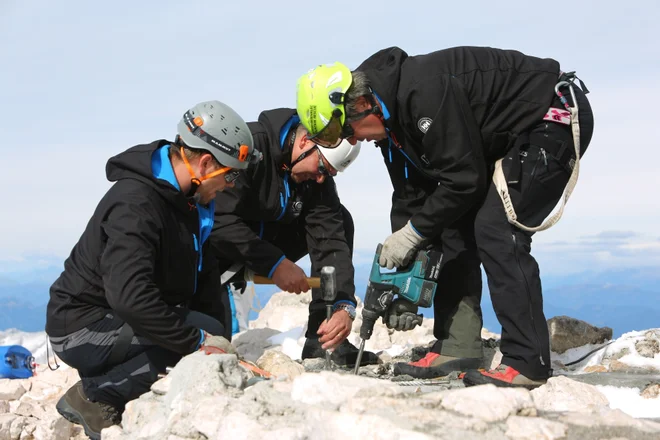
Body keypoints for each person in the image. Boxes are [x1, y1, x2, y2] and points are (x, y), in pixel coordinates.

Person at [295, 46, 594, 389]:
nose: (353, 140)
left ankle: (528, 362)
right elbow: (412, 198)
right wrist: (404, 275)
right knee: (451, 220)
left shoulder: (423, 94)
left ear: (361, 104)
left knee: (496, 227)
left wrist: (413, 234)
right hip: (506, 139)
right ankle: (458, 344)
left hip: (550, 117)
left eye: (347, 131)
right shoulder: (390, 124)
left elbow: (465, 181)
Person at [45, 100, 260, 439]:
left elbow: (203, 276)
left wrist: (217, 340)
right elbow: (128, 296)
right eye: (230, 174)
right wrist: (196, 342)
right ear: (205, 164)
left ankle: (126, 379)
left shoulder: (192, 203)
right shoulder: (137, 204)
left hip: (115, 316)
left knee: (205, 335)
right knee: (184, 346)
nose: (231, 185)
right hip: (80, 325)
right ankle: (94, 395)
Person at [210, 107, 380, 367]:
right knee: (211, 343)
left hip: (262, 246)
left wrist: (343, 305)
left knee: (340, 219)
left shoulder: (316, 179)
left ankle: (323, 338)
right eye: (322, 167)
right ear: (304, 142)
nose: (321, 178)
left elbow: (331, 239)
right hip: (216, 253)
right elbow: (217, 220)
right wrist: (275, 264)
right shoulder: (249, 147)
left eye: (330, 174)